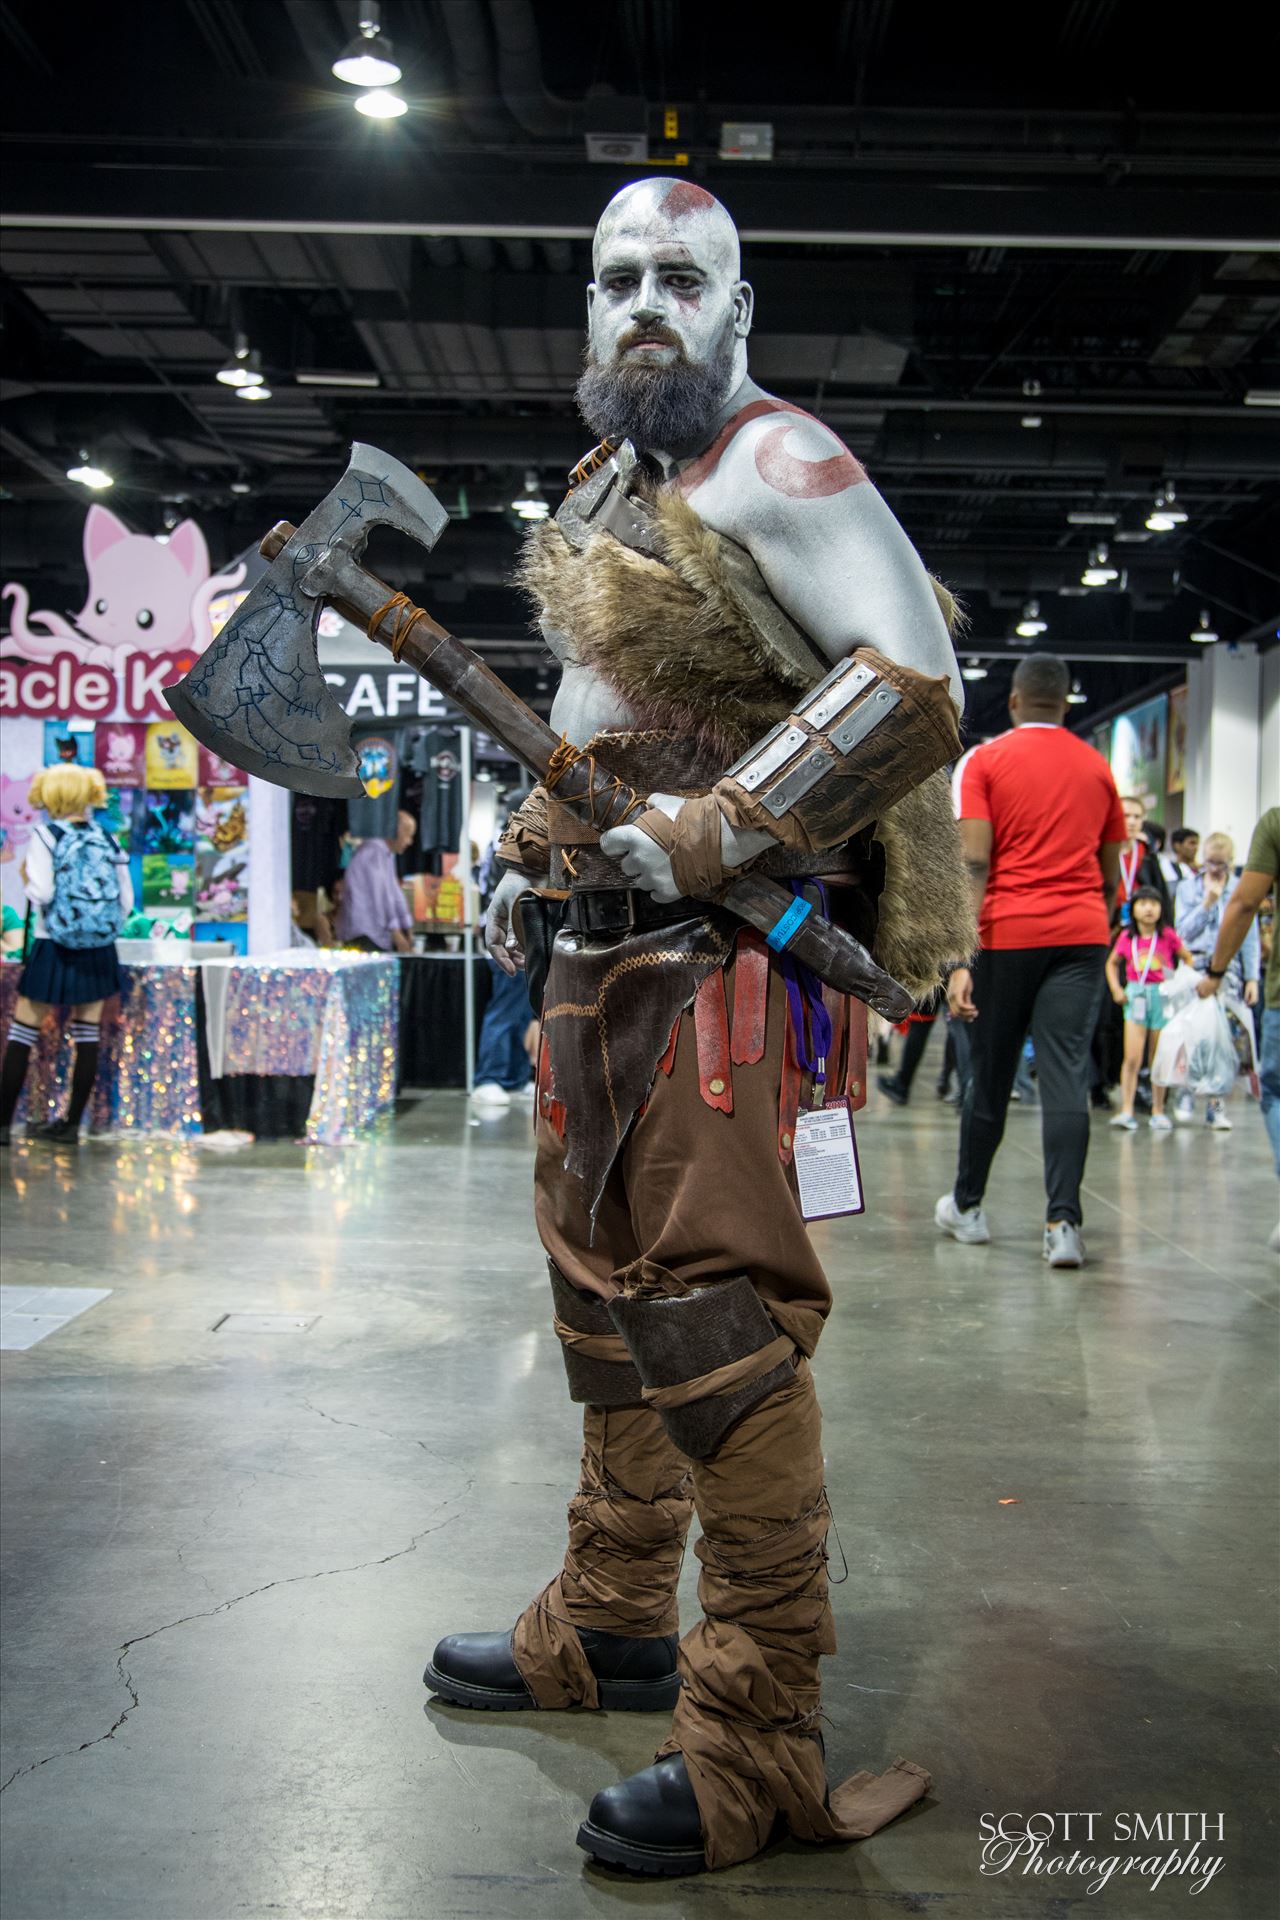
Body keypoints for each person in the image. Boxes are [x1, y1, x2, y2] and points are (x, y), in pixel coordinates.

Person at [424, 178, 975, 1877]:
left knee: (719, 1329)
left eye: (683, 278)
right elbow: (606, 714)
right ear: (585, 313)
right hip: (594, 965)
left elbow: (914, 675)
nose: (645, 303)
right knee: (605, 1312)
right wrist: (539, 848)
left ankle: (754, 1736)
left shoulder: (777, 463)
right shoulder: (623, 479)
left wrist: (725, 823)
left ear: (742, 308)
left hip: (723, 973)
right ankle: (610, 1616)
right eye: (615, 281)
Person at [936, 652, 1127, 1268]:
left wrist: (960, 957)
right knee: (1067, 1073)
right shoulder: (1098, 769)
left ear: (1015, 701)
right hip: (1081, 936)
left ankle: (967, 1209)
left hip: (1008, 935)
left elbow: (973, 862)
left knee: (989, 1076)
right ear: (1065, 702)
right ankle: (1063, 1225)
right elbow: (1113, 876)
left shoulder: (985, 762)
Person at [0, 766, 130, 1147]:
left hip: (52, 944)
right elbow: (126, 901)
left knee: (24, 1030)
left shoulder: (46, 834)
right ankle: (71, 1126)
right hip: (98, 948)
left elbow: (40, 893)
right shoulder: (107, 837)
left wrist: (26, 876)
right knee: (87, 1033)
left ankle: (2, 1127)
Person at [1194, 807, 1278, 1236]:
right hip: (1219, 977)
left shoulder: (1276, 822)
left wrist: (1222, 972)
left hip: (1264, 987)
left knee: (1275, 1090)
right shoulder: (1193, 888)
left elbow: (1245, 906)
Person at [1173, 831, 1261, 1130]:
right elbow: (1181, 933)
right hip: (1195, 967)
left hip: (1230, 974)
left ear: (1231, 863)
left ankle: (1216, 1103)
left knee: (1223, 1041)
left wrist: (1252, 977)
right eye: (1210, 862)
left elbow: (1248, 937)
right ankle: (1185, 1092)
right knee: (1191, 1036)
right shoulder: (1188, 888)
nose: (1215, 869)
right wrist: (1207, 904)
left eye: (1221, 864)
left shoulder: (1240, 888)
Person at [1104, 885, 1195, 1132]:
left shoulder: (1167, 936)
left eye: (1153, 903)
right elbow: (1111, 964)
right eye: (1142, 903)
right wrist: (1116, 989)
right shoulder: (1127, 937)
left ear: (1161, 908)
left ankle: (1158, 1110)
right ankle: (1127, 1110)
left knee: (1159, 1058)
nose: (1148, 908)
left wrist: (1177, 982)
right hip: (1136, 994)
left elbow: (1187, 958)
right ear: (1132, 909)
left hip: (1162, 997)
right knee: (1132, 1058)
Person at [333, 810, 416, 953]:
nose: (410, 841)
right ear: (394, 831)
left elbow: (395, 894)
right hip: (364, 934)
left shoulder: (386, 854)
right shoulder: (373, 853)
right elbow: (382, 897)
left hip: (374, 935)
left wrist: (407, 927)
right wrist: (396, 932)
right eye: (408, 834)